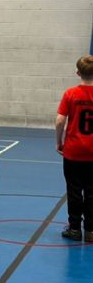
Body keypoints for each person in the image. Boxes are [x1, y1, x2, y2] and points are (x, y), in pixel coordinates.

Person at [56, 54, 93, 242]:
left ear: (78, 72)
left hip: (74, 152)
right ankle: (91, 231)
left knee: (74, 191)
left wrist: (59, 141)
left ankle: (75, 228)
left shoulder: (70, 93)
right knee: (92, 192)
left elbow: (60, 120)